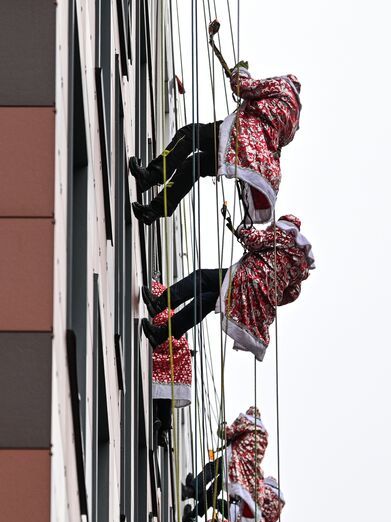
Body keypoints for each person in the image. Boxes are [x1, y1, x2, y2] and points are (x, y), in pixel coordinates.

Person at [130, 67, 301, 225]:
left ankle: (152, 175)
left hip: (241, 135)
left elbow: (243, 86)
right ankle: (154, 210)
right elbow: (280, 143)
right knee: (195, 165)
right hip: (249, 160)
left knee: (190, 135)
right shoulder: (294, 122)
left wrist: (239, 72)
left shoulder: (282, 86)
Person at [141, 216, 314, 362]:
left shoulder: (283, 237)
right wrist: (267, 293)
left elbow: (254, 240)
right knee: (205, 301)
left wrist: (245, 228)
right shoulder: (301, 267)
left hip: (246, 278)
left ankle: (160, 303)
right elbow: (292, 294)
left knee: (202, 278)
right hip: (258, 301)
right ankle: (160, 335)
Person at [145, 280, 193, 447]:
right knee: (167, 391)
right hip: (178, 351)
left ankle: (158, 421)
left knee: (160, 386)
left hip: (168, 346)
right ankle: (164, 428)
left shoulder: (160, 306)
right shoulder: (171, 312)